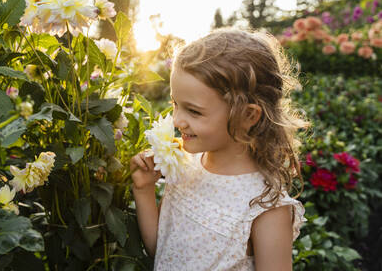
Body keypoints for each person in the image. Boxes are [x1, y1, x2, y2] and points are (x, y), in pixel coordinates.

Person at [130, 28, 310, 271]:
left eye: (193, 111)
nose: (177, 120)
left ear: (247, 115)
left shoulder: (265, 208)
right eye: (175, 104)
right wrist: (143, 190)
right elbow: (162, 251)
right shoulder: (185, 167)